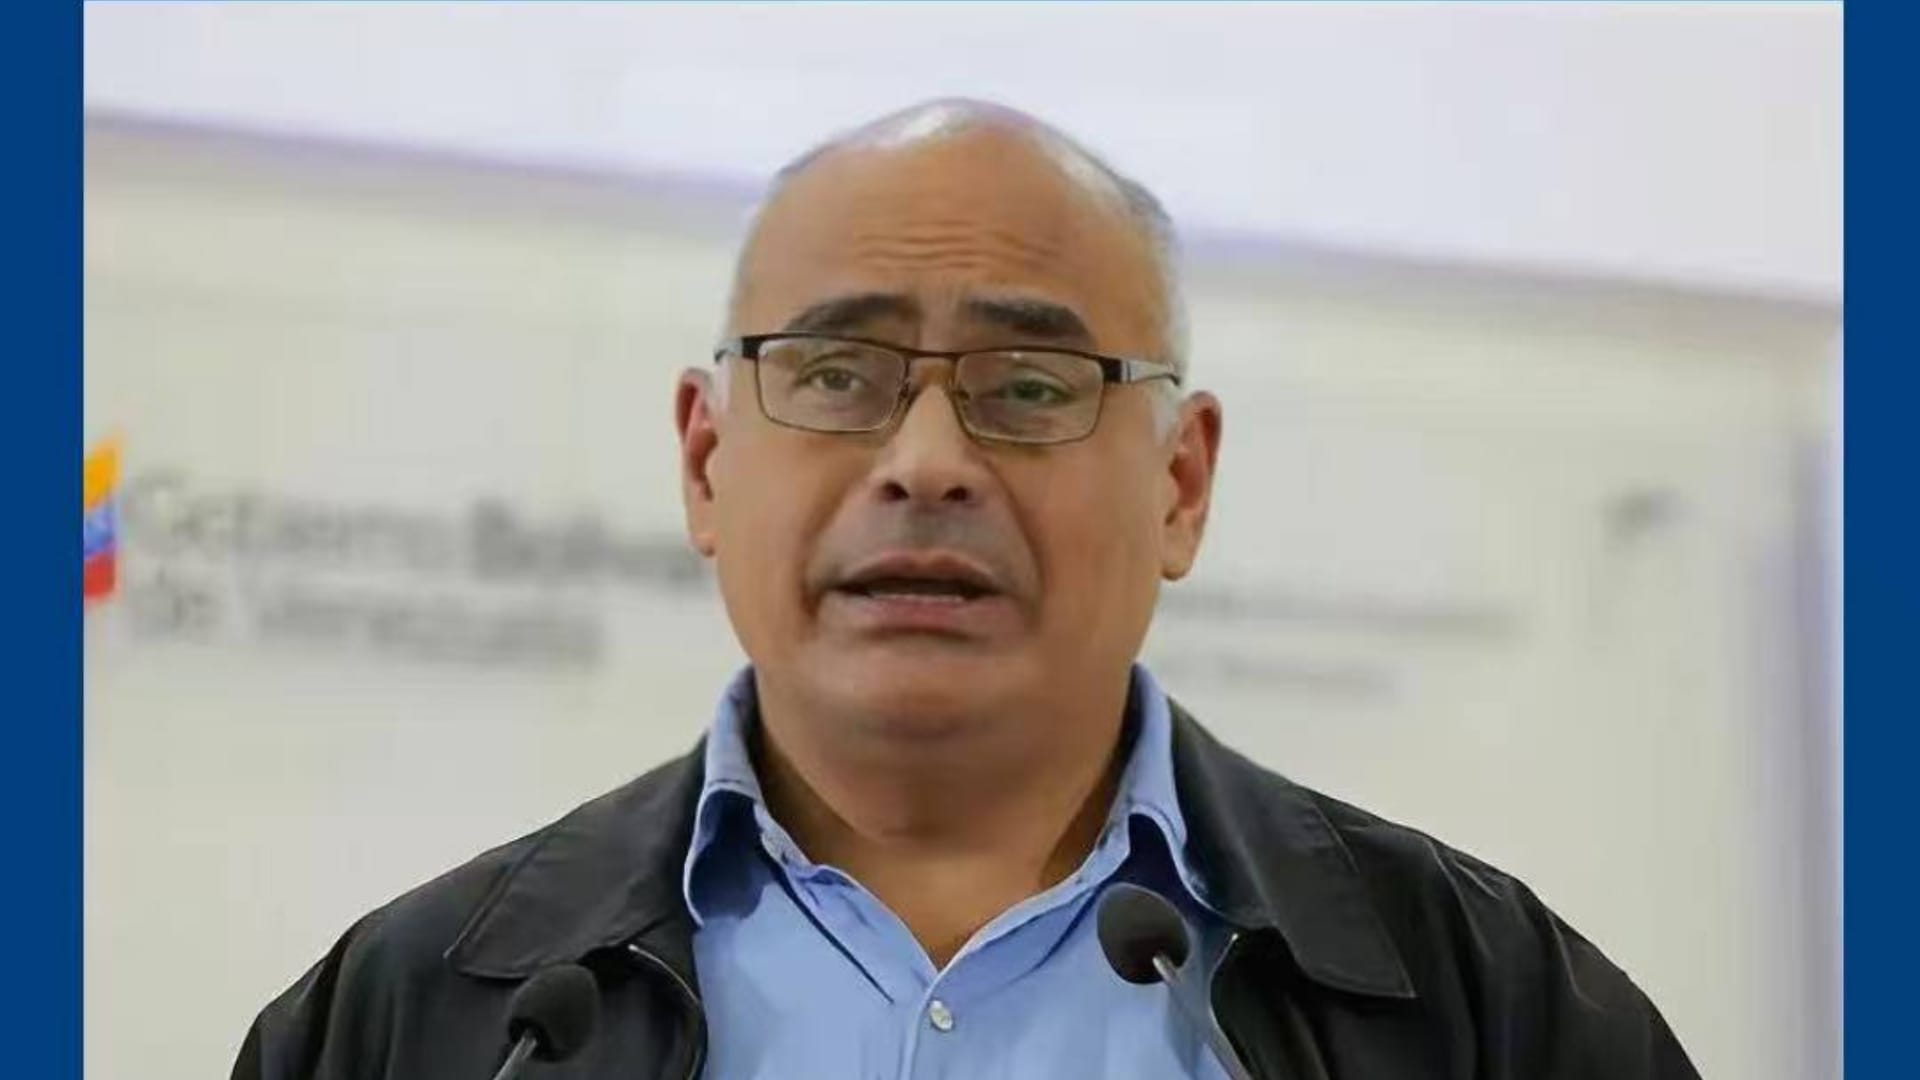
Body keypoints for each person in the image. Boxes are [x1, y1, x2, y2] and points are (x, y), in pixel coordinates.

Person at [232, 99, 1700, 1080]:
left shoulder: (1485, 1008)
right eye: (836, 374)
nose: (927, 463)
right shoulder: (427, 1017)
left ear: (1181, 482)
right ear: (705, 461)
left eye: (1033, 385)